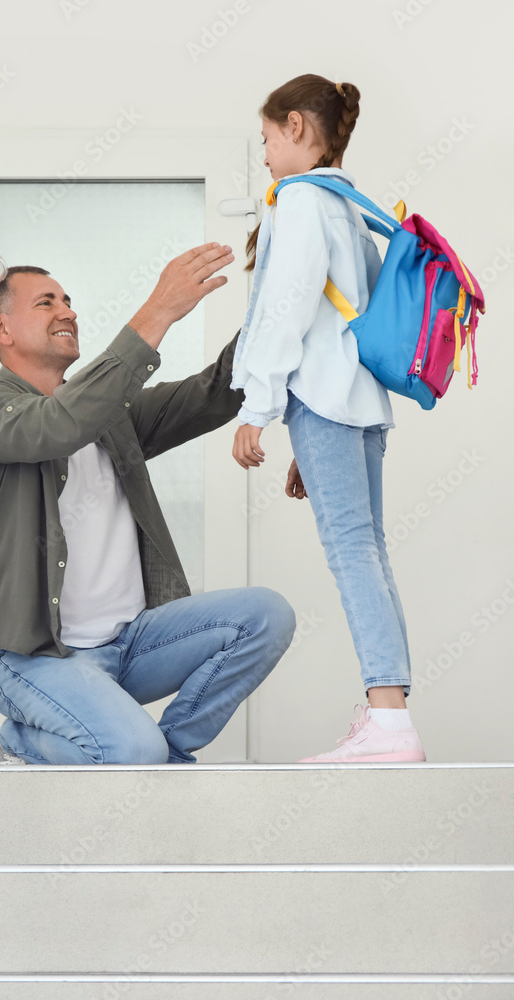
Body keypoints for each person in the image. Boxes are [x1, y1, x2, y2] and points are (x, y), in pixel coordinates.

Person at [0, 244, 296, 765]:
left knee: (265, 615)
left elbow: (214, 393)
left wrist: (278, 302)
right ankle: (25, 743)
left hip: (131, 645)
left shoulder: (110, 416)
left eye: (68, 301)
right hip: (31, 659)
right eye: (46, 303)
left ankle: (167, 755)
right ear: (1, 331)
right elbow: (56, 427)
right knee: (131, 753)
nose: (68, 311)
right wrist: (159, 310)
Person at [230, 73, 426, 763]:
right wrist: (301, 436)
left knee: (351, 554)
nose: (262, 157)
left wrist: (258, 406)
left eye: (264, 139)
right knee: (366, 549)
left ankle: (388, 721)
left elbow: (286, 307)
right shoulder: (344, 203)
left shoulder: (304, 199)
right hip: (352, 404)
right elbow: (339, 322)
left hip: (325, 404)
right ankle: (389, 716)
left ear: (294, 126)